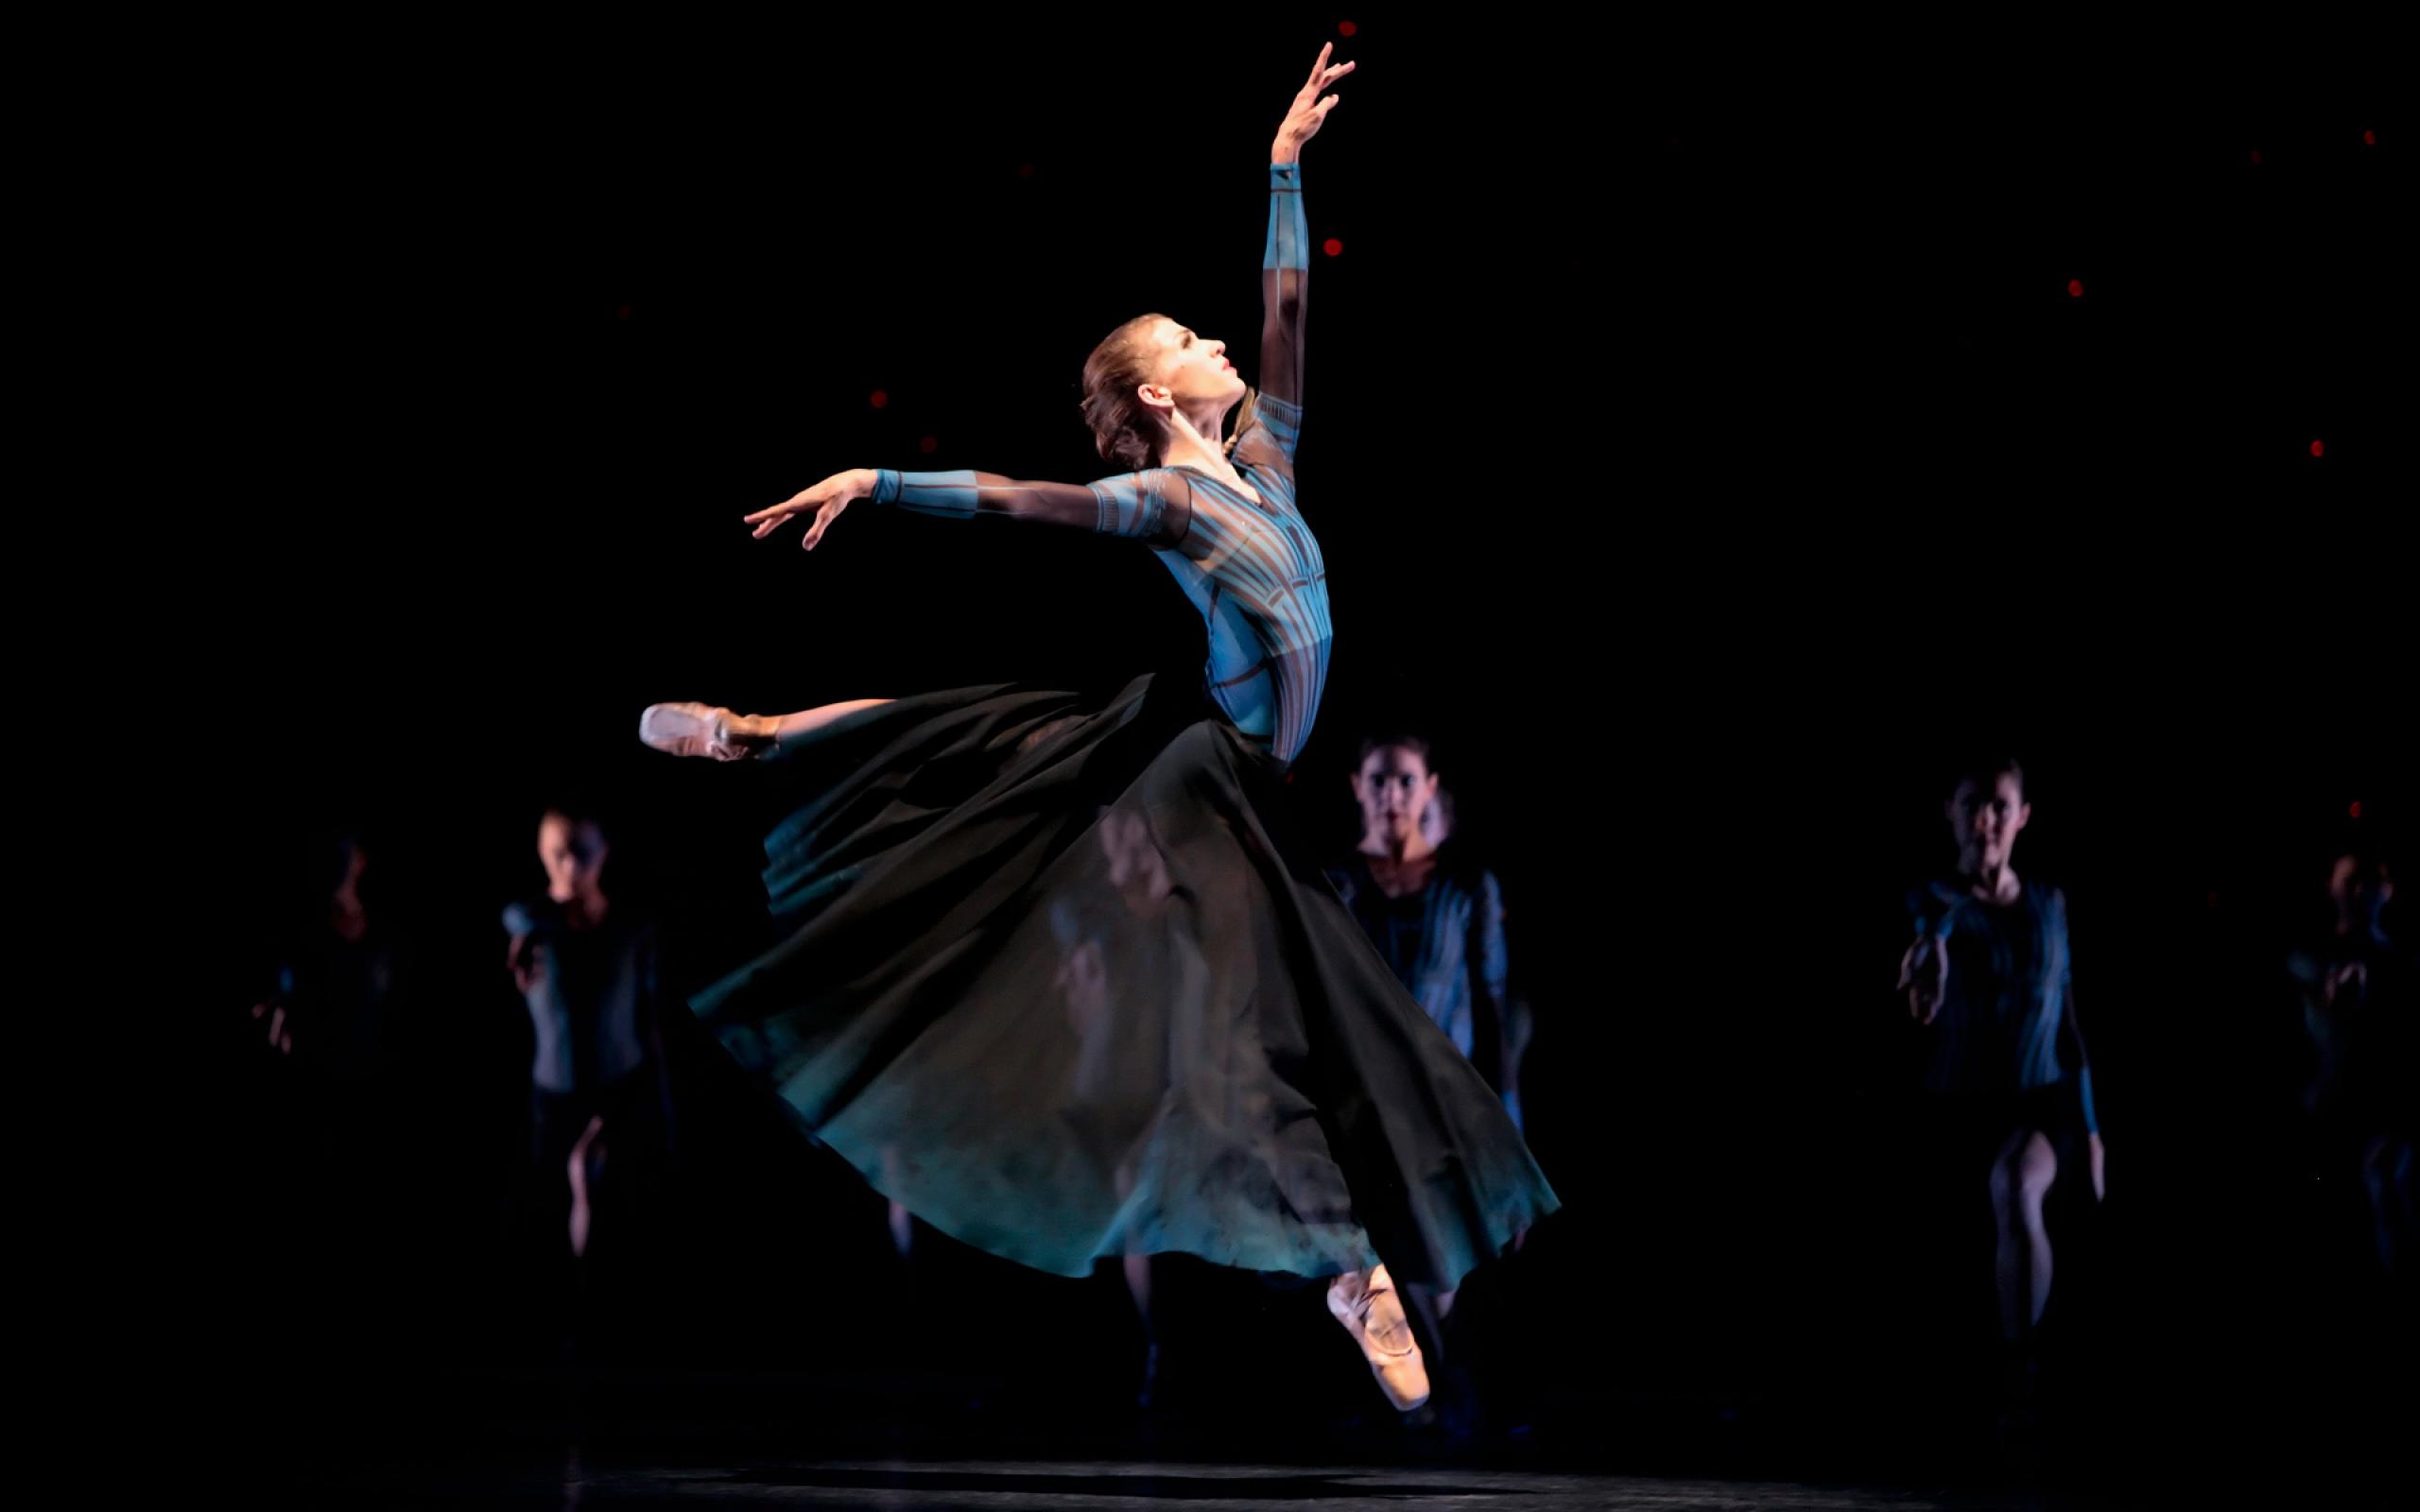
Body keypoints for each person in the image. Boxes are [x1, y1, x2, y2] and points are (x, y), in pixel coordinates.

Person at [635, 44, 1554, 1413]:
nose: (1220, 345)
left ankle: (1350, 1264)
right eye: (1190, 343)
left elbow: (1288, 310)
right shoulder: (1169, 506)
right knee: (1206, 985)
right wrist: (877, 479)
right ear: (1160, 397)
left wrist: (1283, 170)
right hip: (1208, 784)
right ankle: (1352, 1270)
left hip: (1227, 773)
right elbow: (1021, 500)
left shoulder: (1266, 462)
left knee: (1015, 756)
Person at [1898, 757, 2104, 1412]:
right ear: (1951, 814)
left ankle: (2023, 1373)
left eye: (1999, 806)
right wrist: (1928, 956)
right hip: (1954, 1107)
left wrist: (2091, 1132)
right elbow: (1933, 928)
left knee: (2016, 1186)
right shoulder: (1934, 898)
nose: (1986, 820)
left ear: (2023, 816)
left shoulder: (2049, 905)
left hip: (2036, 1103)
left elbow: (2068, 1021)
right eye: (1972, 806)